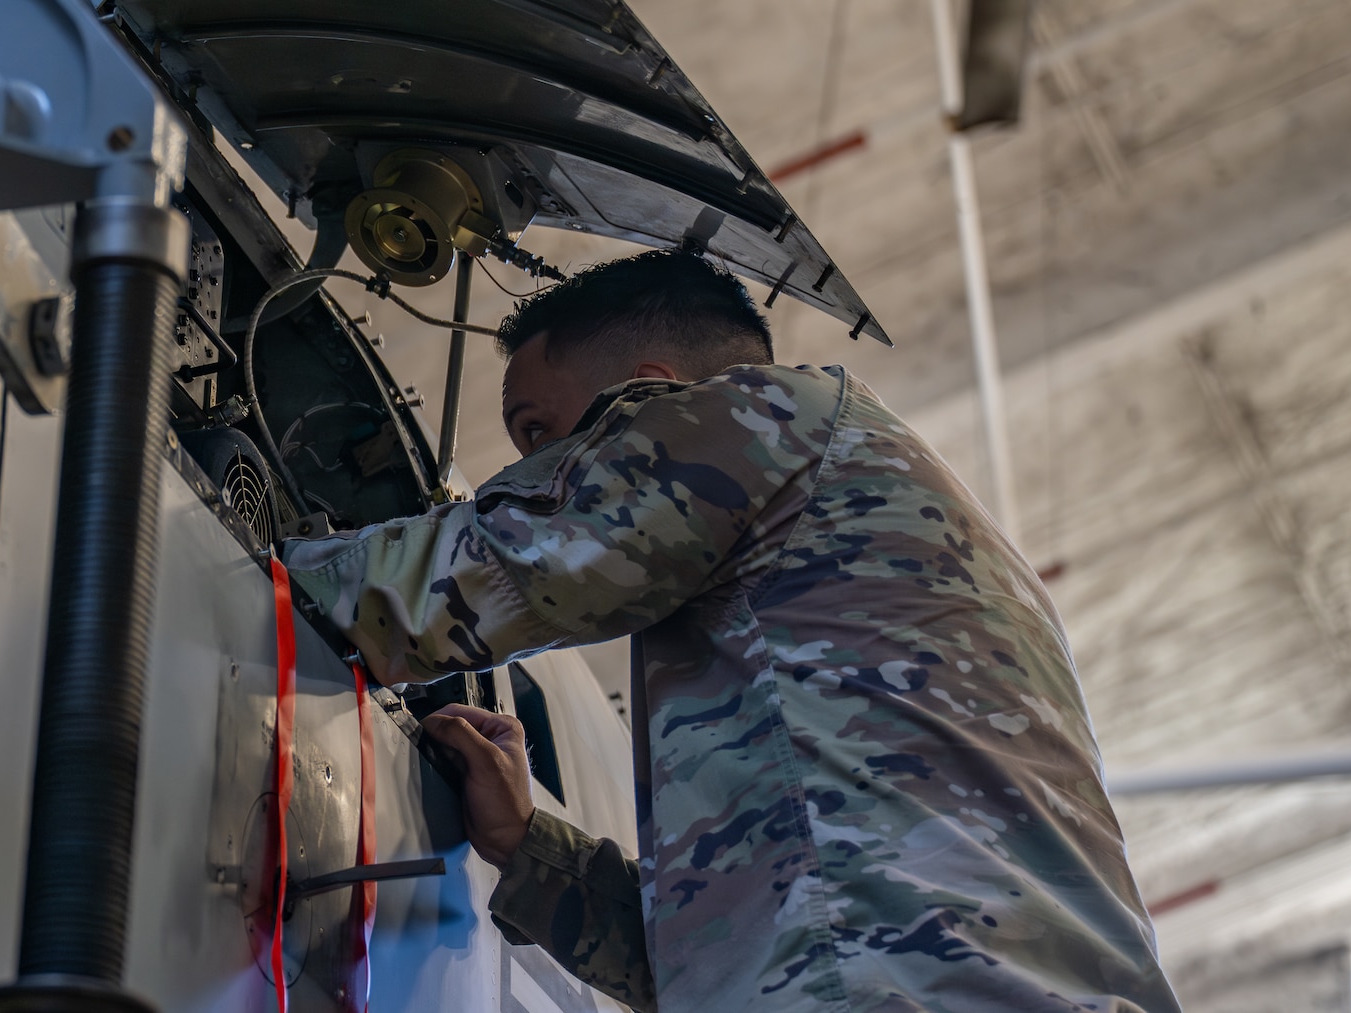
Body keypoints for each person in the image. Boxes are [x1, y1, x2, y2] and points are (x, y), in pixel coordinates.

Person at [281, 249, 1179, 1012]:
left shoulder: (767, 417)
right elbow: (745, 950)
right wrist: (530, 849)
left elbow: (493, 569)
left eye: (541, 433)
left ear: (652, 397)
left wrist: (237, 554)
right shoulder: (906, 551)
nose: (537, 472)